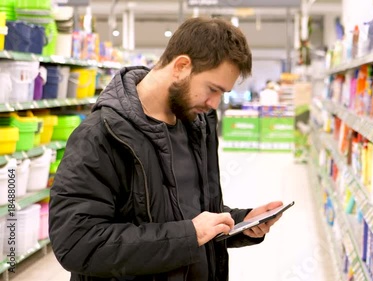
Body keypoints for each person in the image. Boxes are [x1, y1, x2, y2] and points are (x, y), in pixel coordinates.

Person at [49, 17, 283, 281]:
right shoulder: (100, 135)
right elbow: (78, 244)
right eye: (212, 89)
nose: (214, 103)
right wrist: (190, 235)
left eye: (223, 94)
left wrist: (240, 222)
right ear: (182, 66)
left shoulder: (197, 125)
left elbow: (188, 212)